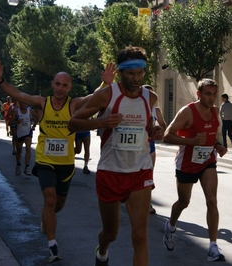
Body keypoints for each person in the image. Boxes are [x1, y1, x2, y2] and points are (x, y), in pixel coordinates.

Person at [0, 58, 116, 263]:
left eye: (64, 85)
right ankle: (52, 246)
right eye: (57, 84)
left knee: (57, 205)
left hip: (66, 164)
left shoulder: (73, 104)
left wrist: (106, 84)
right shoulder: (42, 102)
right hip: (45, 160)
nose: (60, 88)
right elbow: (17, 94)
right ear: (52, 85)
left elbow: (92, 98)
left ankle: (47, 220)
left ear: (69, 87)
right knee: (49, 199)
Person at [67, 46, 164, 266]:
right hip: (111, 172)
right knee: (111, 233)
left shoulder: (151, 97)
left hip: (140, 172)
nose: (137, 78)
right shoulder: (107, 95)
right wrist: (101, 122)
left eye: (140, 73)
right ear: (121, 72)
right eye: (131, 73)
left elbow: (149, 127)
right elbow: (72, 123)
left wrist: (156, 132)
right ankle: (102, 251)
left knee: (140, 236)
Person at [162, 78, 227, 262]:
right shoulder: (187, 112)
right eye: (208, 94)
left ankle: (213, 247)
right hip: (186, 164)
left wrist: (219, 146)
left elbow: (213, 137)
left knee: (212, 201)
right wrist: (190, 141)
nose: (212, 98)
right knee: (183, 201)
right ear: (198, 94)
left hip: (207, 162)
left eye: (214, 94)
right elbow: (167, 136)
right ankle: (171, 225)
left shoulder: (215, 111)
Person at [142, 84, 168, 214]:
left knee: (149, 173)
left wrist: (160, 130)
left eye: (152, 94)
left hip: (150, 144)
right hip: (135, 145)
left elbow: (163, 124)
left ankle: (148, 203)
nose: (150, 97)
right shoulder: (135, 107)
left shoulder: (156, 110)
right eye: (147, 94)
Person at [9, 101, 38, 176]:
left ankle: (27, 167)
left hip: (28, 133)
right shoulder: (16, 111)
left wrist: (34, 126)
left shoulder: (30, 111)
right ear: (19, 104)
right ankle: (18, 165)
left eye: (25, 103)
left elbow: (37, 117)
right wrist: (17, 121)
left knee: (28, 148)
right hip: (19, 133)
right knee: (19, 151)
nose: (23, 104)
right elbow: (10, 122)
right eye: (22, 103)